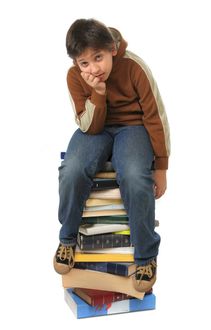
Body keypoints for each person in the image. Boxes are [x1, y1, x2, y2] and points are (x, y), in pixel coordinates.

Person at [53, 18, 170, 292]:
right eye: (84, 63)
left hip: (133, 127)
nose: (93, 68)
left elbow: (156, 117)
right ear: (75, 64)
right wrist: (97, 93)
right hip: (96, 127)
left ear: (112, 49)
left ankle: (145, 256)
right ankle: (67, 239)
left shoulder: (134, 67)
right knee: (71, 169)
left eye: (98, 57)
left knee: (133, 175)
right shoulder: (75, 77)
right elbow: (88, 125)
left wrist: (162, 167)